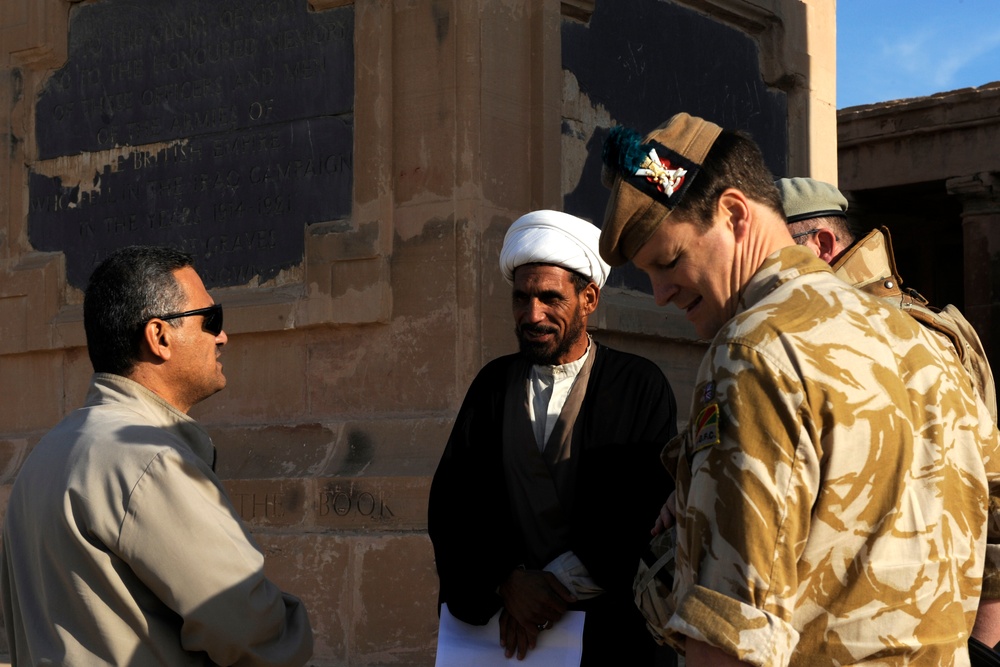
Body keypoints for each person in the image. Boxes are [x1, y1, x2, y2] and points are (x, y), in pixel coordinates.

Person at [598, 112, 1000, 665]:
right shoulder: (923, 339)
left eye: (670, 262)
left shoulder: (753, 350)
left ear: (735, 213)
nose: (661, 294)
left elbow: (729, 633)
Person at [0, 246, 313, 665]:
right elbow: (249, 630)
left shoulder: (47, 453)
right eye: (211, 319)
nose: (222, 336)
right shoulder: (150, 460)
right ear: (159, 337)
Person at [427, 210, 677, 665]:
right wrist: (507, 582)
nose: (532, 314)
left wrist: (548, 590)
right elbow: (452, 505)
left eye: (549, 298)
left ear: (589, 298)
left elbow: (644, 507)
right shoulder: (492, 385)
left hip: (606, 628)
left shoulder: (639, 385)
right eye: (521, 298)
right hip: (500, 636)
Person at [777, 176, 996, 421]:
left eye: (775, 252)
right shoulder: (910, 320)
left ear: (823, 245)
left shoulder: (860, 331)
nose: (766, 269)